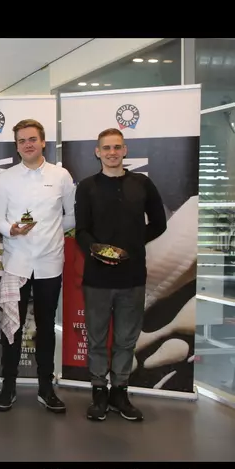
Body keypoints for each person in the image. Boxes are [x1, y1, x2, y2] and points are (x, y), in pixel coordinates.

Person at [75, 127, 166, 422]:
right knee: (98, 339)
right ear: (97, 152)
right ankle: (99, 391)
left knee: (127, 339)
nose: (112, 152)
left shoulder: (142, 184)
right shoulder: (87, 186)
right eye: (106, 148)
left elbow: (159, 223)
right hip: (97, 279)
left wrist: (133, 244)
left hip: (133, 276)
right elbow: (81, 231)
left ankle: (120, 392)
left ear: (125, 150)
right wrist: (98, 251)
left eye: (117, 147)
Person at [0, 118, 75, 413]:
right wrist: (11, 229)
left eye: (32, 139)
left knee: (46, 328)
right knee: (11, 329)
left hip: (50, 264)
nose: (27, 144)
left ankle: (45, 387)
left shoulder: (61, 175)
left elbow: (71, 216)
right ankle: (8, 386)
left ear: (43, 142)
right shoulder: (6, 179)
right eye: (22, 141)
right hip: (17, 263)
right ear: (16, 147)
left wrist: (50, 232)